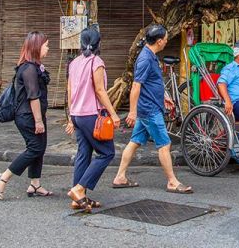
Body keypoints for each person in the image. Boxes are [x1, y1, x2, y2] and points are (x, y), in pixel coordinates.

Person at [112, 24, 193, 193]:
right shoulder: (145, 59)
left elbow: (153, 82)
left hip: (150, 107)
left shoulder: (151, 55)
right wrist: (132, 112)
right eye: (164, 39)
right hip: (149, 110)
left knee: (135, 142)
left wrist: (164, 97)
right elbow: (136, 86)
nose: (166, 42)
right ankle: (172, 181)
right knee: (164, 144)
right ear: (158, 41)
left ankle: (120, 177)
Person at [0, 31, 53, 200]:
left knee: (39, 148)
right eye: (46, 45)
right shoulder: (28, 69)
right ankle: (3, 179)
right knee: (35, 148)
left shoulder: (34, 66)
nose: (48, 48)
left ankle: (35, 184)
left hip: (34, 114)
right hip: (28, 116)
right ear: (36, 47)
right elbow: (33, 96)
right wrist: (38, 121)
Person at [65, 25, 119, 212]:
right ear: (98, 44)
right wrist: (113, 113)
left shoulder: (74, 63)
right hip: (91, 115)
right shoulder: (96, 62)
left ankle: (78, 198)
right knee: (107, 153)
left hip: (77, 114)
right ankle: (79, 189)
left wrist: (70, 115)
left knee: (84, 153)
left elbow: (70, 90)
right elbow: (99, 90)